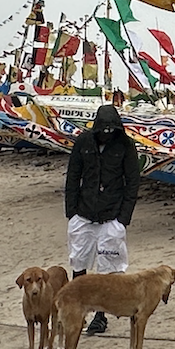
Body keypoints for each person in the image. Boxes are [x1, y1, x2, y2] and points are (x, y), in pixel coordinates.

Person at [65, 102, 142, 334]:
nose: (106, 136)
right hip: (84, 212)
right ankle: (77, 308)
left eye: (111, 131)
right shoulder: (83, 142)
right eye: (103, 131)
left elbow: (133, 181)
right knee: (78, 262)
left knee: (108, 267)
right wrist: (71, 212)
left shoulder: (126, 145)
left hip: (112, 215)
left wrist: (123, 218)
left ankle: (101, 315)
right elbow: (73, 176)